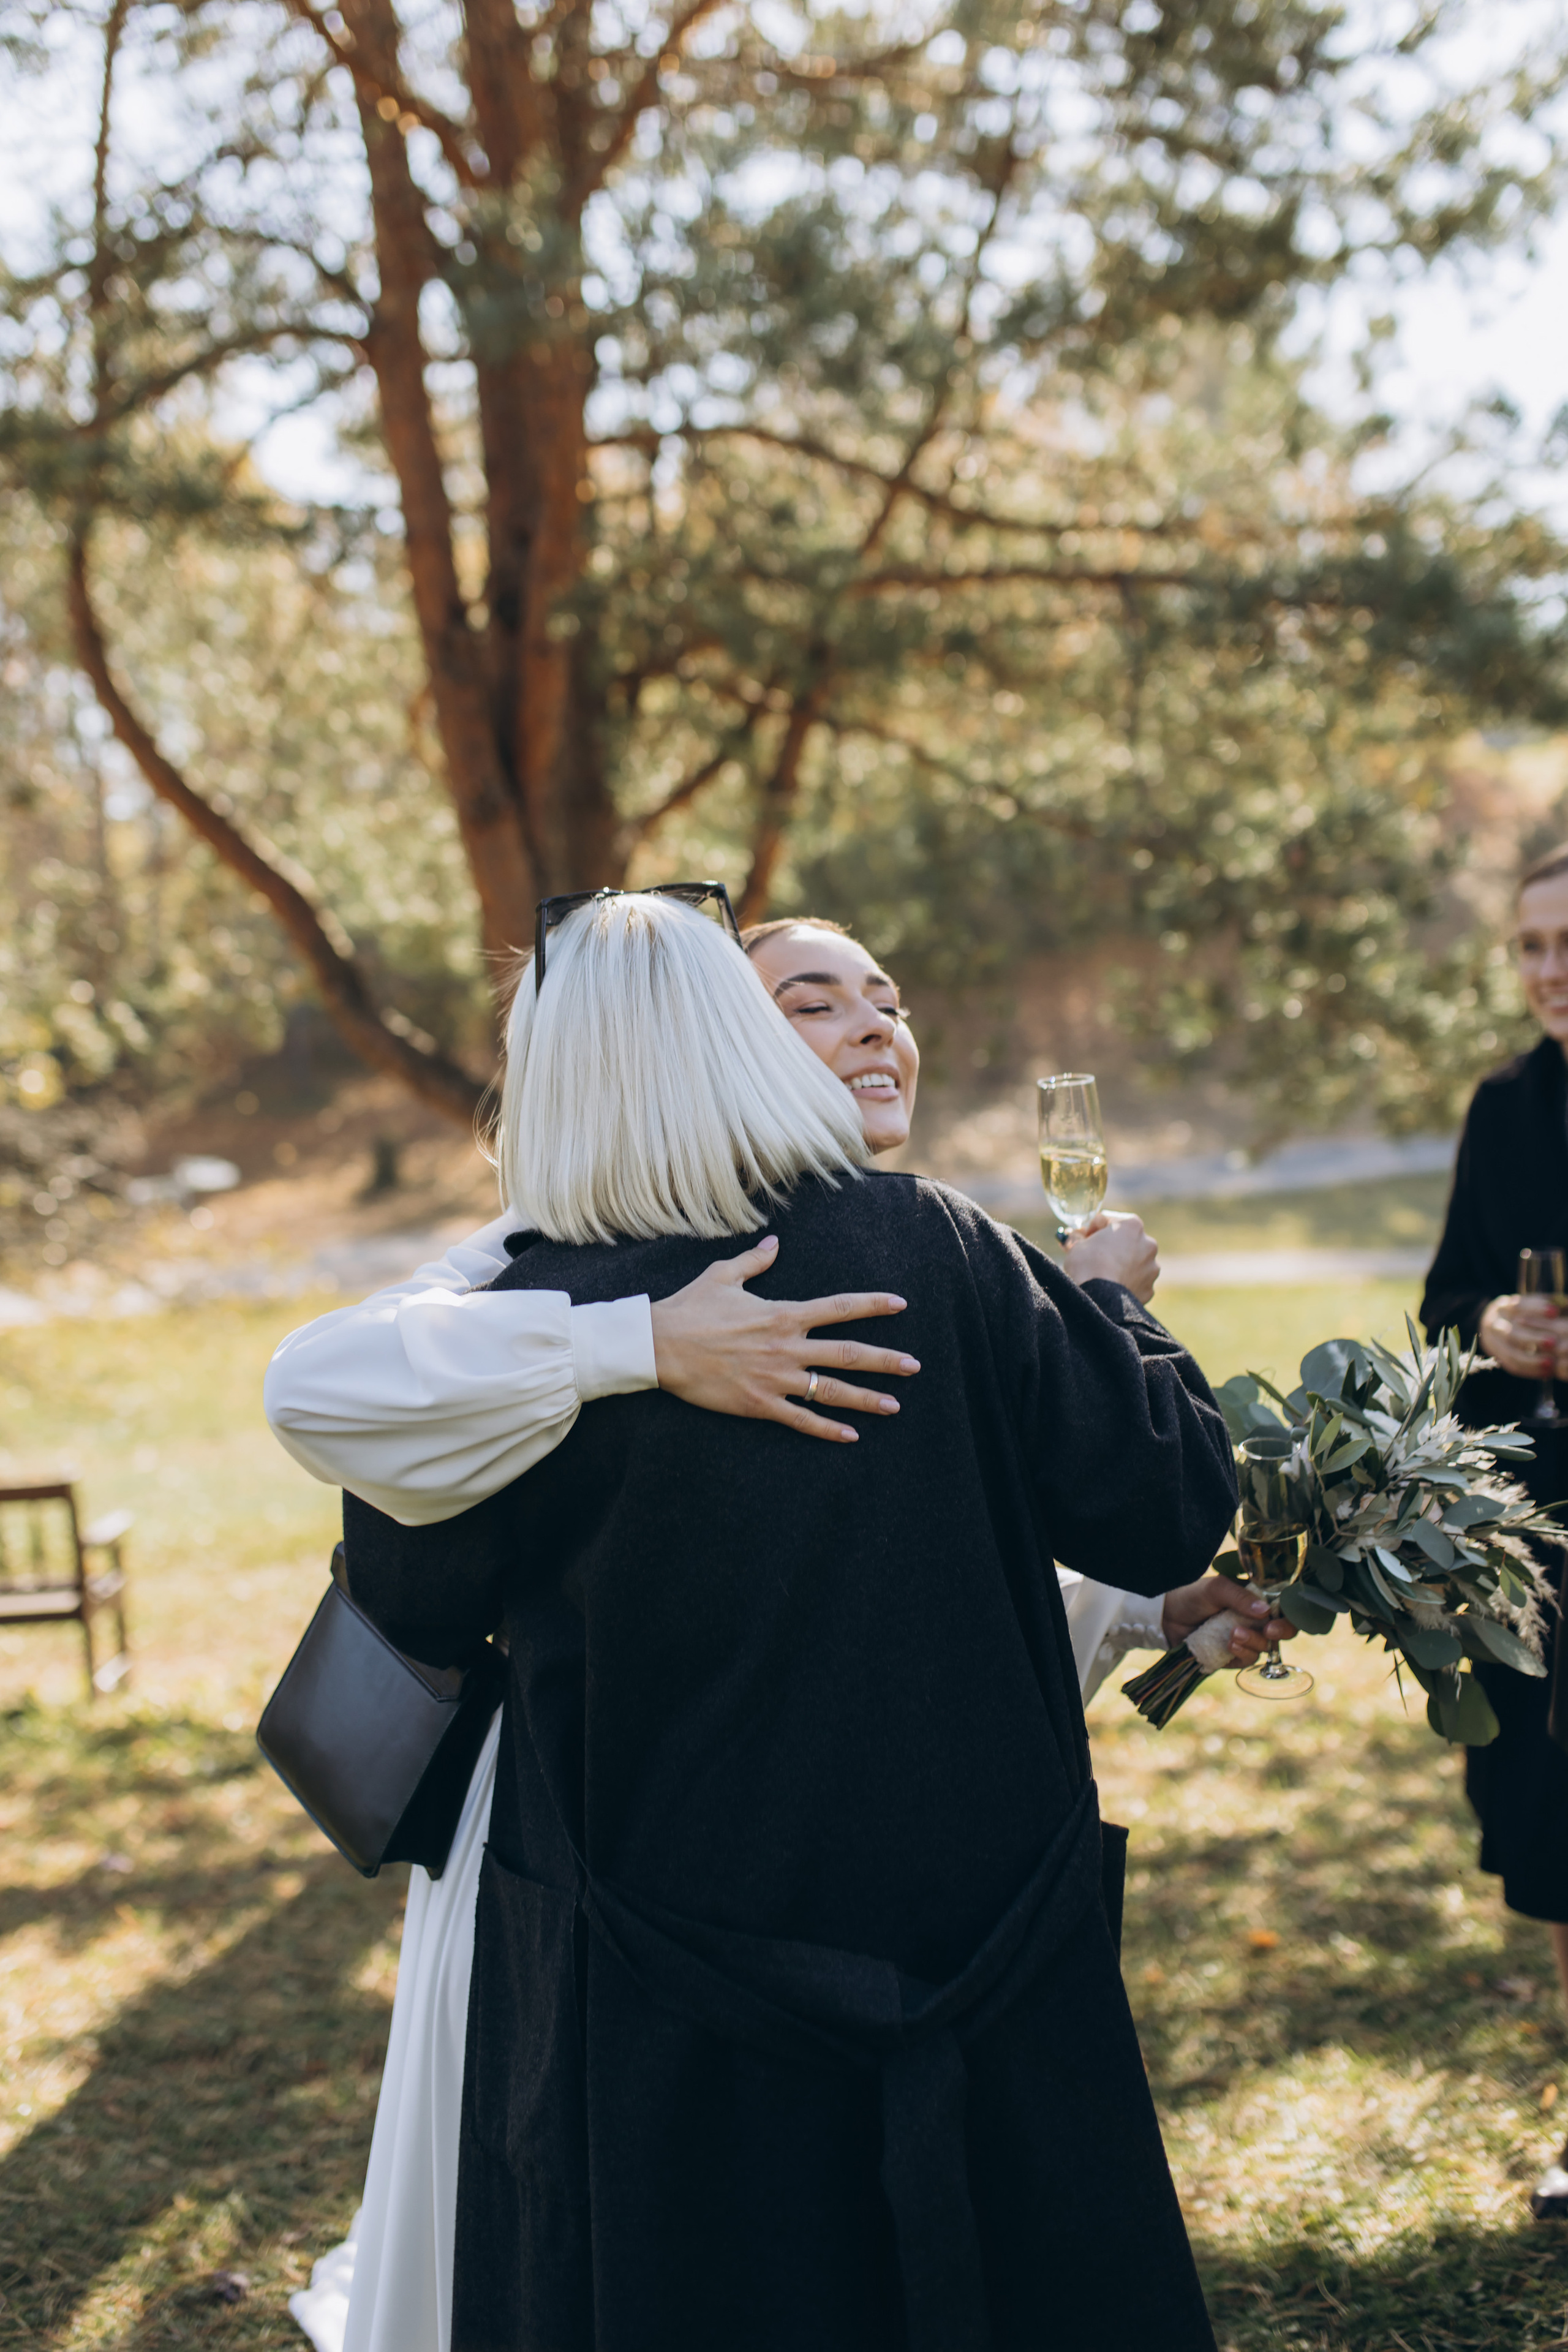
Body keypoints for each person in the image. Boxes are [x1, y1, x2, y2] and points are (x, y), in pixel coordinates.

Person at [274, 907, 1280, 2352]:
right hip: (971, 1920)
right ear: (733, 1035)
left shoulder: (521, 1317)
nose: (870, 1029)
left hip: (660, 1960)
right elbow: (1163, 1502)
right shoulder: (931, 1245)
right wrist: (1109, 1309)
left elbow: (419, 1605)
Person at [1422, 840, 1568, 2219]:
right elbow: (1443, 1305)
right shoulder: (1504, 1107)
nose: (1546, 970)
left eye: (1566, 941)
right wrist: (1489, 1326)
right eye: (1528, 945)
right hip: (1548, 1528)